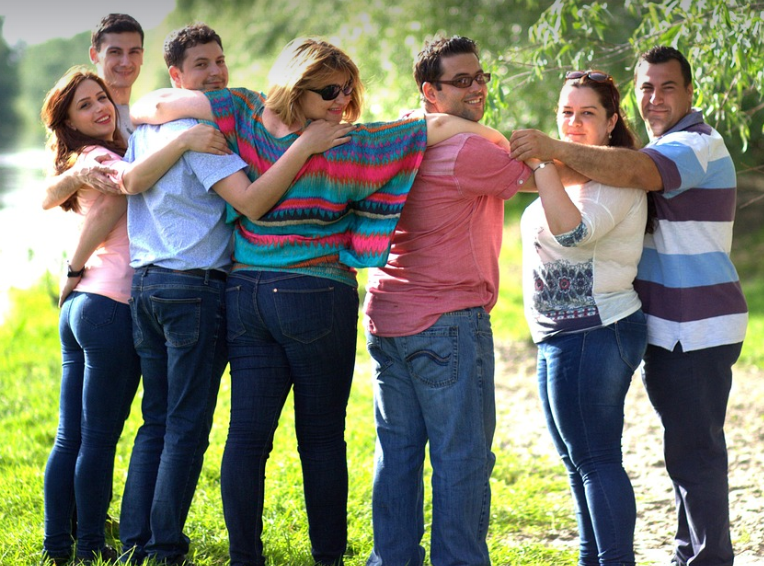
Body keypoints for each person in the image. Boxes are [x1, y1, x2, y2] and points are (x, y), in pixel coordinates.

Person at [129, 35, 510, 566]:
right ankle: (328, 557)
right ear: (296, 87)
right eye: (330, 91)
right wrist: (496, 135)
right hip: (316, 292)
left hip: (247, 291)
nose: (342, 101)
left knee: (248, 436)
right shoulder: (352, 143)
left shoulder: (238, 111)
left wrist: (166, 120)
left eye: (348, 90)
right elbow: (439, 127)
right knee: (322, 437)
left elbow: (151, 105)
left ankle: (246, 558)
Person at [117, 26, 354, 566]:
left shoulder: (150, 130)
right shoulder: (204, 133)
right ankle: (163, 547)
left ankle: (139, 541)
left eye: (219, 60)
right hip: (194, 287)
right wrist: (304, 145)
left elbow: (135, 160)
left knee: (162, 421)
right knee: (188, 426)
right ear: (177, 75)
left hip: (151, 284)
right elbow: (250, 202)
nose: (216, 72)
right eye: (201, 65)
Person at [511, 47, 748, 566]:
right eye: (646, 87)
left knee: (695, 455)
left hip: (696, 323)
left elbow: (637, 170)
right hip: (663, 323)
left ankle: (707, 560)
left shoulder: (697, 144)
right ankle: (688, 555)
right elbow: (581, 173)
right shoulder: (656, 149)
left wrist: (550, 148)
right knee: (682, 454)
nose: (655, 97)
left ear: (690, 93)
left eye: (668, 87)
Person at [39, 66, 230, 566]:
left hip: (83, 306)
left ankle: (56, 544)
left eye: (101, 98)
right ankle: (86, 546)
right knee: (97, 439)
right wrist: (185, 140)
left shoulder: (87, 156)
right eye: (85, 105)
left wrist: (74, 274)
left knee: (71, 436)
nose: (100, 108)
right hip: (109, 304)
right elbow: (114, 203)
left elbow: (51, 197)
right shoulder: (104, 159)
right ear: (68, 121)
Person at [361, 35, 531, 566]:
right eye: (462, 81)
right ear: (430, 92)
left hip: (387, 315)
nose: (477, 88)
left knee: (398, 455)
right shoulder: (469, 150)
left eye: (480, 77)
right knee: (462, 459)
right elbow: (545, 174)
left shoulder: (398, 137)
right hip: (446, 321)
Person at [520, 70, 647, 566]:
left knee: (595, 460)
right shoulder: (565, 172)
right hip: (558, 337)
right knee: (578, 464)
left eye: (587, 113)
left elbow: (573, 234)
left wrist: (542, 161)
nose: (573, 122)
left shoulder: (615, 176)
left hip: (597, 331)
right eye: (566, 112)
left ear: (611, 122)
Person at [42, 13, 145, 211]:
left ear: (142, 56)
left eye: (134, 52)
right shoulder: (84, 124)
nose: (126, 61)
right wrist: (79, 174)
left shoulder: (143, 117)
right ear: (94, 55)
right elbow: (46, 199)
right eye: (115, 52)